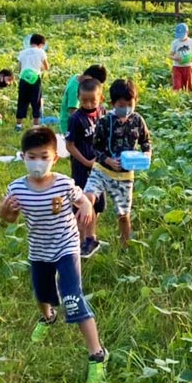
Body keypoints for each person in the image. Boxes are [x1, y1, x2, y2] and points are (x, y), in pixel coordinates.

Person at [0, 127, 108, 383]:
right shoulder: (16, 189)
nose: (38, 163)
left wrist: (85, 207)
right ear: (23, 156)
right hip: (39, 250)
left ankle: (97, 354)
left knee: (72, 297)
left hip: (67, 246)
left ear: (54, 158)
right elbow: (10, 218)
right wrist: (5, 211)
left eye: (44, 156)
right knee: (42, 295)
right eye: (32, 157)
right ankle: (48, 317)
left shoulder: (62, 183)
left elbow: (82, 200)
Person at [84, 79, 152, 246]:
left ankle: (125, 244)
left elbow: (146, 141)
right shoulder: (105, 121)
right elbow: (95, 147)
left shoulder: (137, 120)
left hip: (124, 174)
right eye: (122, 104)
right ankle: (88, 239)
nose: (126, 108)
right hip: (102, 170)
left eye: (130, 103)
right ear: (113, 103)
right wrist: (107, 160)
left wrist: (147, 154)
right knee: (88, 198)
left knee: (123, 214)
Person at [64, 77, 107, 258]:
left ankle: (91, 238)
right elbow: (69, 145)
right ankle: (79, 241)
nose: (88, 104)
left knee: (95, 205)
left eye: (92, 100)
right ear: (78, 98)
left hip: (99, 168)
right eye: (84, 100)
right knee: (82, 205)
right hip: (83, 169)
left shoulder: (102, 113)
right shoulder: (76, 119)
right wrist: (85, 161)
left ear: (101, 99)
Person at [59, 64, 108, 135]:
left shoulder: (77, 77)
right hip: (70, 126)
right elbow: (72, 112)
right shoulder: (75, 90)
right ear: (90, 78)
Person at [16, 34, 49, 131]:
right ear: (40, 44)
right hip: (35, 79)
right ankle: (35, 127)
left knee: (22, 101)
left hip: (23, 79)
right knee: (36, 102)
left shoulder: (22, 52)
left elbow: (19, 68)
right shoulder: (41, 52)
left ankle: (18, 126)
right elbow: (47, 67)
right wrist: (39, 67)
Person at [170, 23, 192, 91]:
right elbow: (170, 55)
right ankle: (176, 98)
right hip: (177, 67)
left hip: (188, 67)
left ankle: (188, 98)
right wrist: (175, 58)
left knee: (188, 86)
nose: (181, 37)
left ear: (187, 32)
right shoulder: (175, 43)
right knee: (177, 86)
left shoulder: (191, 42)